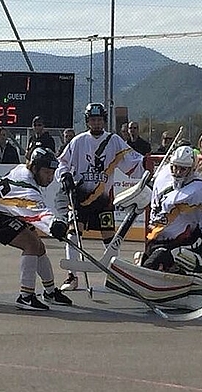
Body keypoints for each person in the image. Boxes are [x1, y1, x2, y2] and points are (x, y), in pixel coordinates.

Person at [55, 102, 145, 291]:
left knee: (110, 239)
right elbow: (62, 162)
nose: (96, 123)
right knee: (73, 234)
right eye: (93, 120)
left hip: (104, 200)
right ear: (88, 121)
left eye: (99, 120)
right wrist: (64, 176)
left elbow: (133, 163)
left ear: (104, 121)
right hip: (80, 198)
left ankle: (115, 277)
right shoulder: (79, 141)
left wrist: (149, 166)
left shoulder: (114, 141)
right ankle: (72, 276)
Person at [0, 147, 73, 310]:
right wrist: (54, 225)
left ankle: (49, 292)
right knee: (31, 246)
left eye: (52, 173)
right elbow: (39, 212)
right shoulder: (25, 187)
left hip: (4, 212)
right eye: (46, 173)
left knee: (40, 247)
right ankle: (26, 297)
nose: (50, 178)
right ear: (35, 168)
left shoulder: (23, 171)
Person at [139, 145, 202, 273]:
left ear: (191, 169)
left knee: (158, 260)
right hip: (158, 239)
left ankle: (177, 269)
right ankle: (173, 272)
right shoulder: (163, 175)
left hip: (183, 241)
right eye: (175, 167)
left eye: (182, 169)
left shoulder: (198, 189)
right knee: (144, 257)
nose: (177, 172)